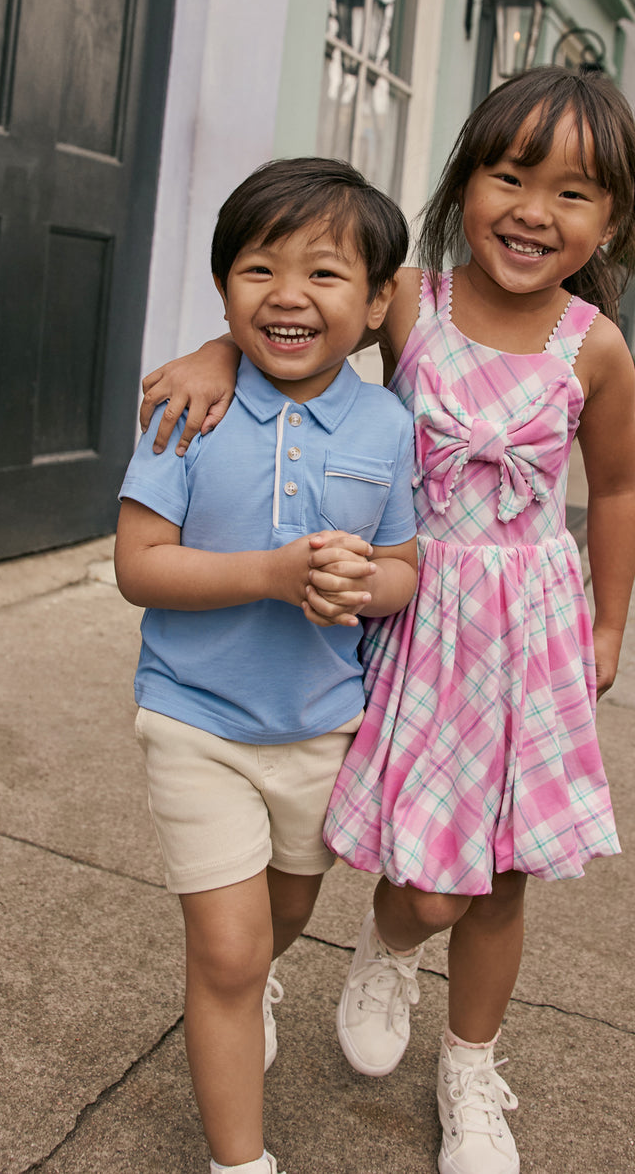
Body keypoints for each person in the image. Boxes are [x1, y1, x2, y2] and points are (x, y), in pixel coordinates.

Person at [138, 65, 635, 1174]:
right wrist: (213, 350)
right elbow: (304, 334)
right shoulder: (412, 299)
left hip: (524, 624)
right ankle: (350, 941)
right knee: (412, 872)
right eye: (510, 175)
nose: (533, 210)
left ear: (610, 218)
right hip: (406, 611)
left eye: (573, 193)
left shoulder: (590, 346)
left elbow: (612, 490)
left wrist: (608, 626)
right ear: (464, 179)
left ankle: (467, 1062)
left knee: (496, 870)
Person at [114, 157, 419, 1174]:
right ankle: (239, 1159)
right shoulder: (185, 406)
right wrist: (272, 572)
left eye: (326, 274)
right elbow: (138, 566)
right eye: (257, 268)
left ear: (379, 303)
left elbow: (406, 567)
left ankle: (247, 986)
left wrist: (360, 582)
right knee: (232, 950)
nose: (287, 294)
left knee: (282, 919)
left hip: (323, 725)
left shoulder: (387, 425)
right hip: (194, 720)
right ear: (222, 287)